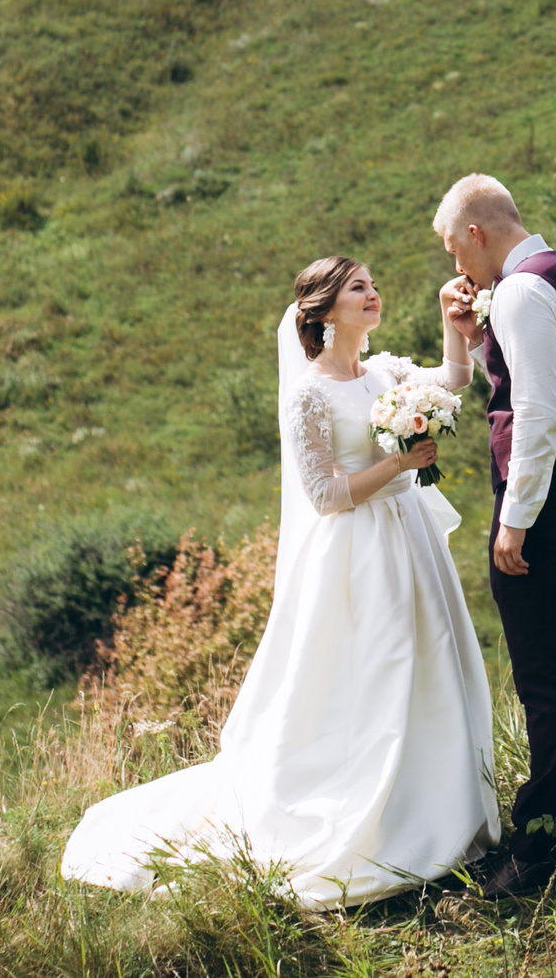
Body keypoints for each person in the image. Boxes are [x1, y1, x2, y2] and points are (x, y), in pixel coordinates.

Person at [60, 257, 498, 906]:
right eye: (358, 287)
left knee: (428, 666)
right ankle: (365, 811)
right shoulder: (309, 392)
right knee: (372, 671)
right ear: (323, 310)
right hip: (354, 553)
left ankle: (436, 806)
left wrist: (453, 323)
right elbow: (324, 493)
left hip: (408, 540)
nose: (373, 293)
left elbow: (454, 379)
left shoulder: (384, 373)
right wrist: (399, 463)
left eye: (373, 284)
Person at [435, 174, 556, 900]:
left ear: (476, 233)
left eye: (454, 249)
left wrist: (516, 520)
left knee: (543, 673)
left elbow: (538, 412)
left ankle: (543, 851)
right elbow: (517, 383)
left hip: (546, 497)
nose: (456, 269)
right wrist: (473, 338)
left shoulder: (520, 290)